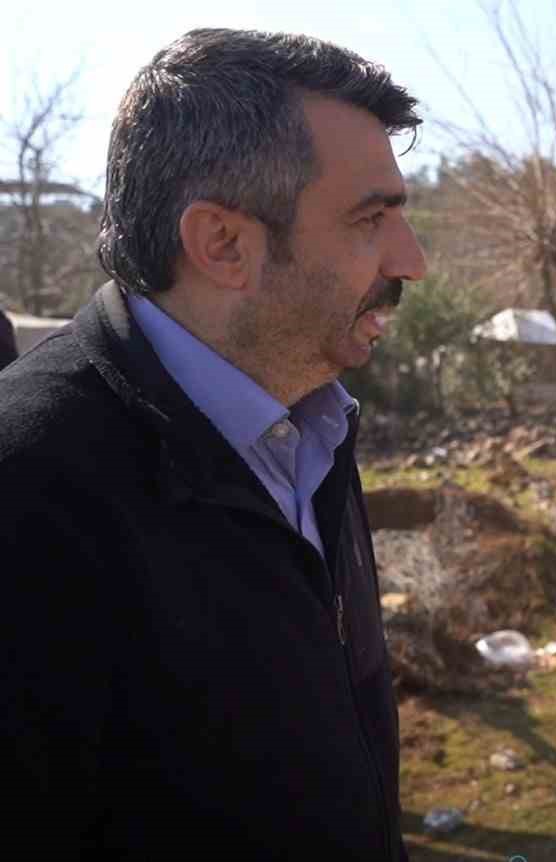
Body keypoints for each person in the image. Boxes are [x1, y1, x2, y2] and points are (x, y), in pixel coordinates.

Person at [0, 29, 426, 859]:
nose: (412, 260)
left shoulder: (315, 427)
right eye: (370, 219)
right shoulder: (26, 489)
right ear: (223, 244)